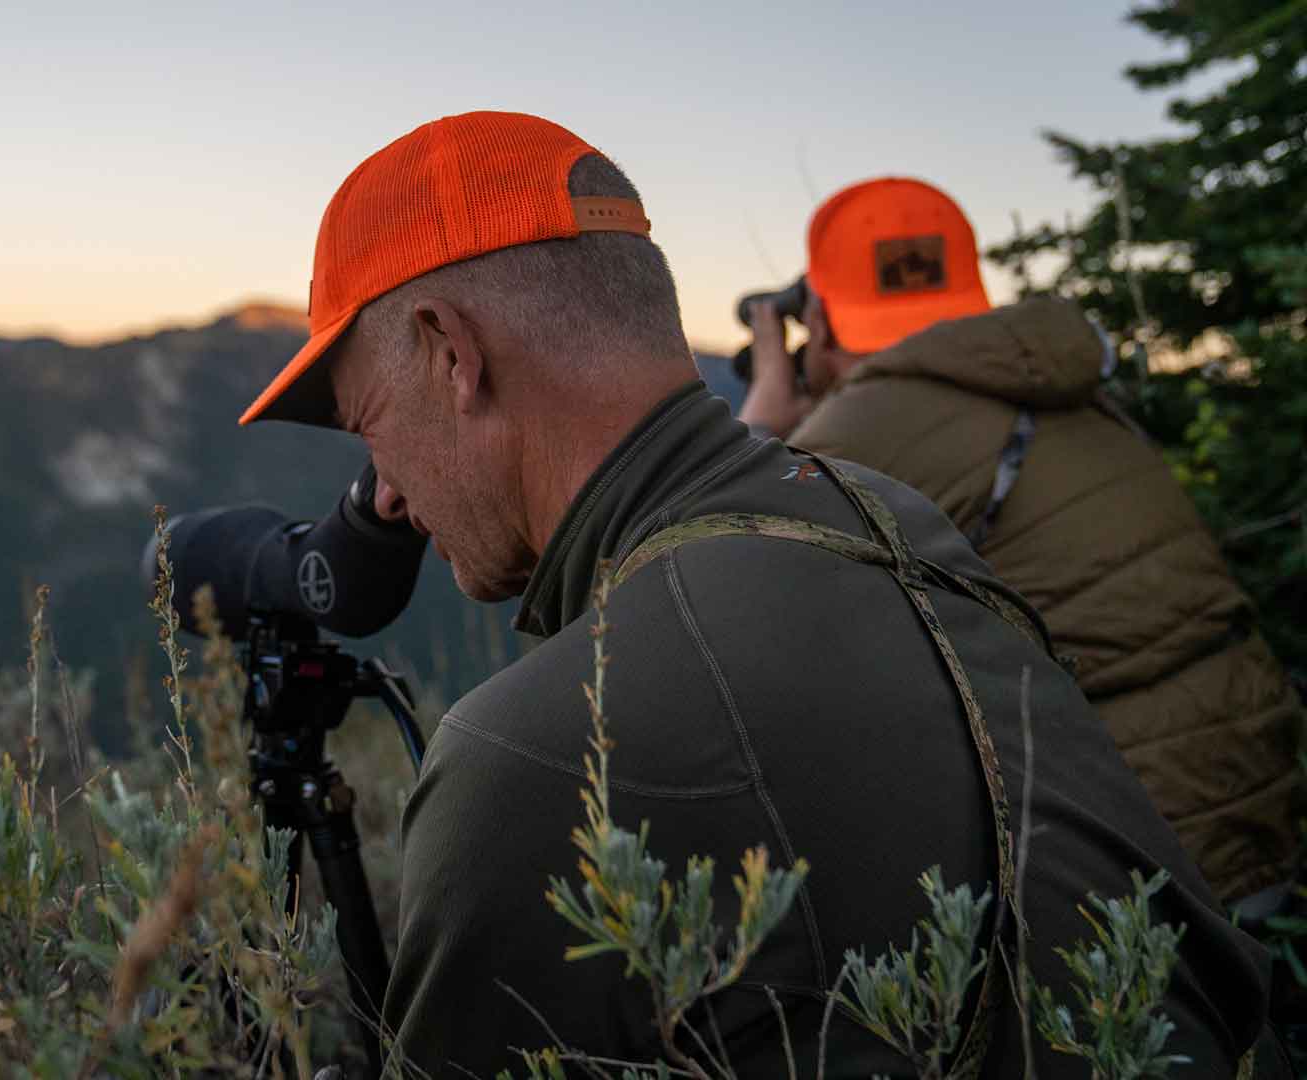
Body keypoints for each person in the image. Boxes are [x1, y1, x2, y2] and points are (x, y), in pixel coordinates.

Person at [237, 111, 1284, 1077]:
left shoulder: (540, 758)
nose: (389, 493)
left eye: (369, 421)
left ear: (452, 353)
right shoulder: (893, 515)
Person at [738, 177, 1303, 912]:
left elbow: (706, 577)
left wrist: (760, 427)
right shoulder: (1044, 380)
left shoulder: (861, 430)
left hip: (1147, 859)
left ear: (815, 315)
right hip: (1257, 793)